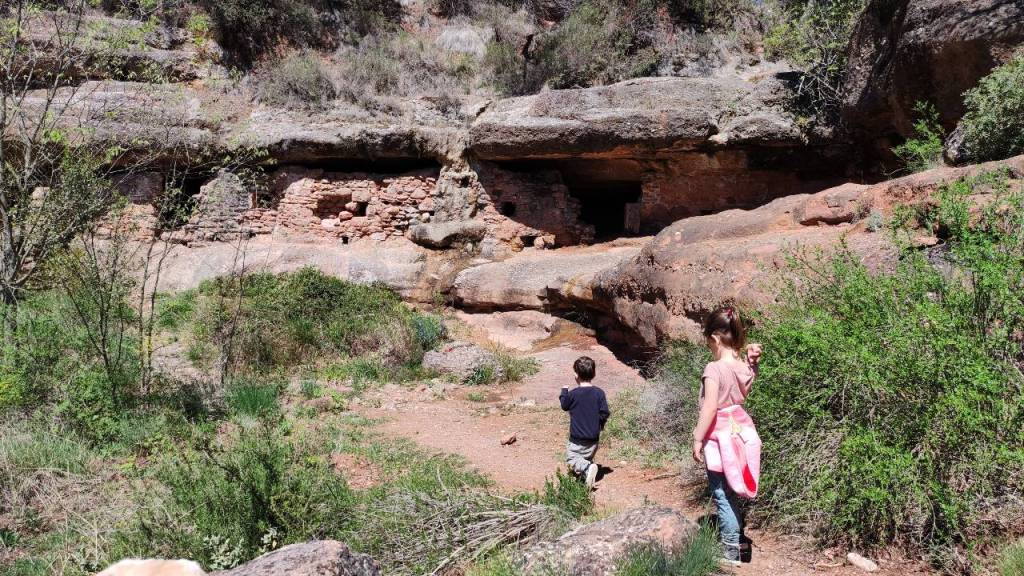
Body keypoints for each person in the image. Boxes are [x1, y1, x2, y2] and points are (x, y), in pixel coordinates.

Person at [692, 306, 763, 566]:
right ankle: (740, 541)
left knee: (722, 494)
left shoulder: (714, 368)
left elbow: (710, 407)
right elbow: (746, 384)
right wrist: (752, 362)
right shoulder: (742, 367)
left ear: (714, 338)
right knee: (734, 490)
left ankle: (731, 548)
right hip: (740, 432)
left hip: (719, 437)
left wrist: (698, 438)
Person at [559, 356, 610, 488]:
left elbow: (564, 405)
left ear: (576, 375)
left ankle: (588, 468)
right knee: (585, 457)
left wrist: (564, 391)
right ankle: (586, 473)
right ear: (594, 373)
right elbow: (604, 412)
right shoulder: (599, 393)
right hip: (594, 438)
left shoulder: (573, 394)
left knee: (572, 459)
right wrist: (599, 425)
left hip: (577, 438)